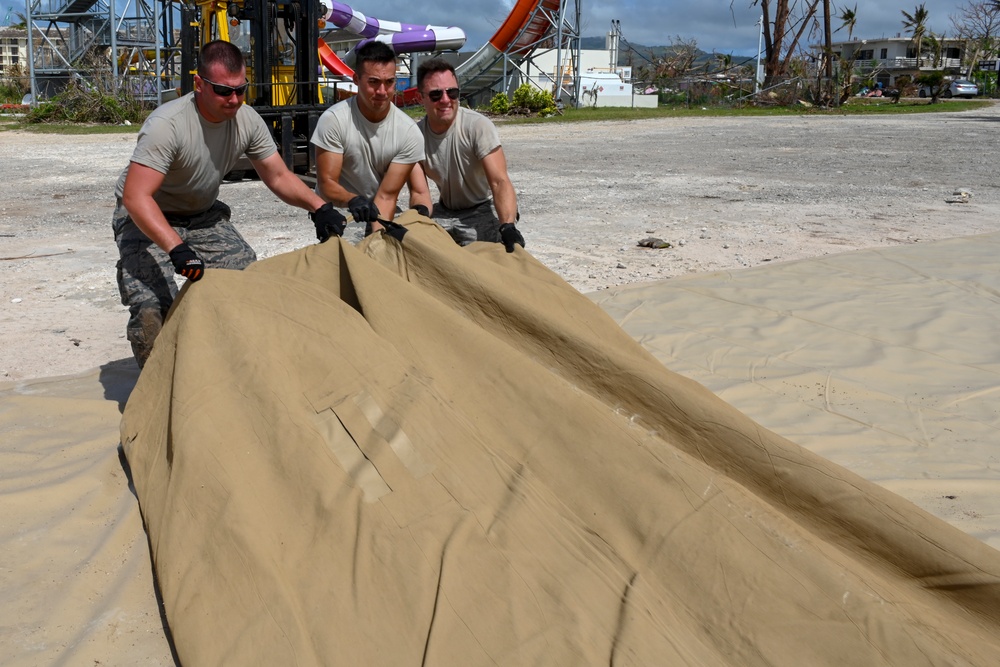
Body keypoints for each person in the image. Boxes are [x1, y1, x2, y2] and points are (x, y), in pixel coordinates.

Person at [114, 39, 344, 368]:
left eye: (240, 90)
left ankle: (230, 370)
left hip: (202, 216)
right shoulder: (168, 125)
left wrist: (319, 207)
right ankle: (158, 397)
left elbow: (278, 176)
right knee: (152, 309)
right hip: (146, 217)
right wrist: (177, 249)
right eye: (223, 90)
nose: (234, 99)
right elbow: (136, 197)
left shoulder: (246, 120)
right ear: (199, 84)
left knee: (247, 283)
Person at [407, 58, 524, 252]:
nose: (445, 100)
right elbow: (420, 193)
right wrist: (419, 218)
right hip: (443, 211)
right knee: (417, 249)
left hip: (481, 208)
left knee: (488, 259)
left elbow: (500, 182)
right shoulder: (414, 136)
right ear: (421, 98)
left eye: (452, 92)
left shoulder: (478, 126)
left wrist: (508, 226)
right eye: (436, 95)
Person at [311, 41, 423, 235]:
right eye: (373, 82)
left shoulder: (408, 131)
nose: (382, 91)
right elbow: (327, 184)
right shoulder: (334, 120)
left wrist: (376, 237)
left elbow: (387, 196)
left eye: (389, 82)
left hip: (379, 207)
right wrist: (354, 200)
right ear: (356, 79)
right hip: (339, 208)